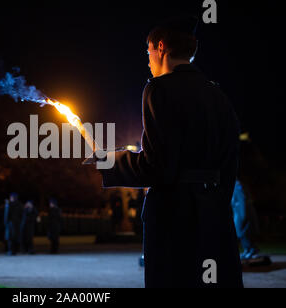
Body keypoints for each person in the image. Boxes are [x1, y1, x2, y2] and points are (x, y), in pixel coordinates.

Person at [97, 17, 243, 287]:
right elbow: (231, 162)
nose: (148, 59)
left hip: (175, 215)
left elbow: (157, 166)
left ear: (160, 47)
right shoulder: (217, 95)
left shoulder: (158, 89)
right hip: (214, 213)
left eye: (148, 51)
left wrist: (110, 160)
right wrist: (216, 203)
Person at [231, 180, 260, 260]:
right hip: (238, 210)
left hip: (241, 211)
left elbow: (242, 199)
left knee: (243, 232)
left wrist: (243, 214)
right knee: (240, 232)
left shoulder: (237, 185)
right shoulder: (233, 185)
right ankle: (247, 250)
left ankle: (252, 250)